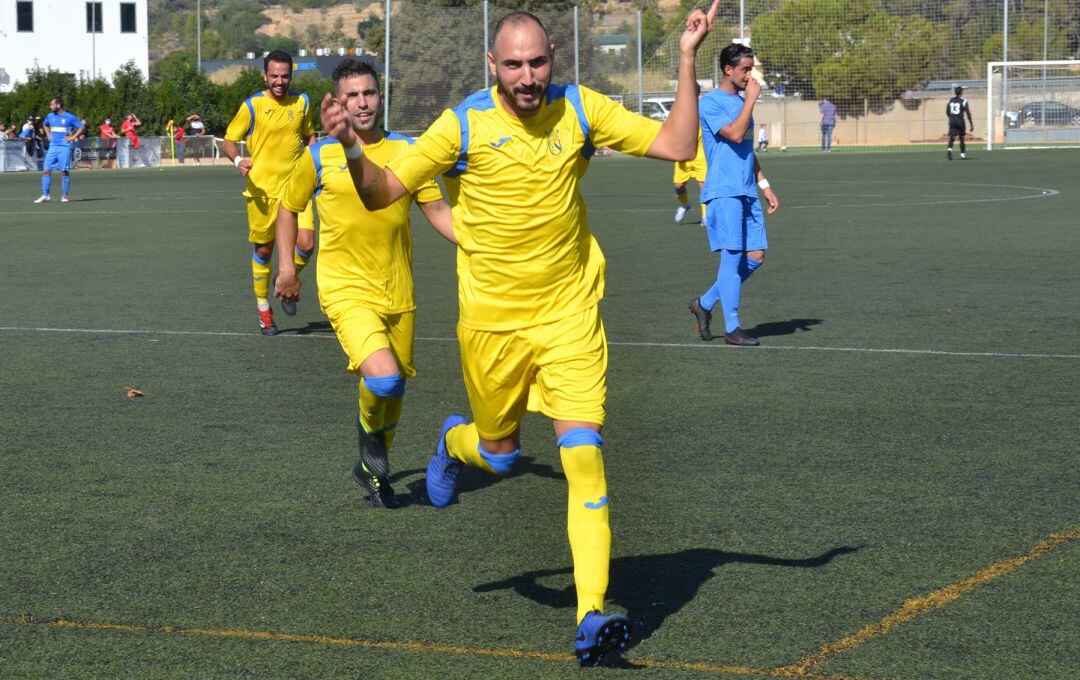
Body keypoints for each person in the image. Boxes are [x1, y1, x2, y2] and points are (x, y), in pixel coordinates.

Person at [320, 4, 718, 666]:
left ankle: (593, 613)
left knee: (583, 452)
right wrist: (354, 150)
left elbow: (678, 145)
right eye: (514, 64)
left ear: (552, 56)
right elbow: (383, 191)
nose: (527, 76)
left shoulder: (582, 110)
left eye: (537, 61)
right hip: (493, 325)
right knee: (500, 454)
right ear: (492, 66)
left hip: (570, 315)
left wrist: (685, 58)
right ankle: (454, 443)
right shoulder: (465, 124)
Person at [275, 59, 455, 508]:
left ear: (380, 95)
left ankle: (371, 466)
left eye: (369, 93)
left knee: (394, 391)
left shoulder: (410, 153)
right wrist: (287, 268)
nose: (362, 103)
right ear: (337, 103)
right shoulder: (318, 155)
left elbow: (440, 214)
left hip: (399, 291)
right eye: (351, 96)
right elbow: (287, 208)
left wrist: (489, 244)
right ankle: (372, 458)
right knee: (385, 377)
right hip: (344, 288)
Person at [688, 43, 780, 347]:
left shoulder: (743, 103)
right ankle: (732, 328)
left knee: (756, 255)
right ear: (728, 70)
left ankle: (703, 303)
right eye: (744, 69)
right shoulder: (710, 103)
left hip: (747, 191)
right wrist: (750, 101)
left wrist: (764, 186)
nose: (749, 75)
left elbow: (747, 151)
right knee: (732, 256)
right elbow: (735, 134)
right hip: (724, 191)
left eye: (750, 69)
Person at [222, 50, 317, 335]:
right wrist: (239, 160)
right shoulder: (251, 106)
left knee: (307, 244)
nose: (279, 81)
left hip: (296, 186)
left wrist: (315, 160)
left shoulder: (302, 102)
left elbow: (309, 135)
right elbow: (229, 141)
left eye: (284, 76)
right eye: (274, 76)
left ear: (291, 76)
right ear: (265, 75)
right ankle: (264, 308)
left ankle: (285, 278)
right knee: (264, 249)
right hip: (262, 191)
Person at [33, 97, 84, 204]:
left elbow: (81, 126)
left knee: (64, 172)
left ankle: (65, 196)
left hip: (64, 147)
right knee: (46, 170)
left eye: (52, 104)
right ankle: (45, 195)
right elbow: (45, 124)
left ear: (58, 105)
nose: (50, 106)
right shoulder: (50, 116)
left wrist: (72, 136)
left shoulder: (69, 117)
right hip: (53, 147)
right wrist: (48, 135)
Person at [673, 134, 706, 223]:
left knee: (703, 187)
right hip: (683, 159)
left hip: (701, 158)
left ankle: (705, 216)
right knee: (679, 186)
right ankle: (684, 205)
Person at [946, 85, 974, 161]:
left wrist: (952, 118)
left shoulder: (950, 100)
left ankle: (949, 150)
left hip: (952, 121)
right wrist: (971, 124)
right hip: (960, 122)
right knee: (961, 138)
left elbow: (947, 112)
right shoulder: (964, 101)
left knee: (952, 137)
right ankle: (962, 154)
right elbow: (968, 113)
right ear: (961, 93)